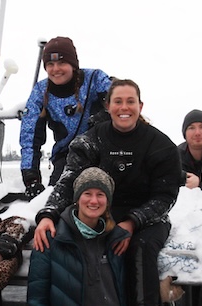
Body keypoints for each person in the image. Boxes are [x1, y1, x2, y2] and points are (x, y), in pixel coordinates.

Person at [32, 79, 181, 306]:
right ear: (108, 106)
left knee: (139, 247)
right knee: (63, 240)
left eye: (130, 101)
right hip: (100, 211)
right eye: (118, 101)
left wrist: (132, 222)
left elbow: (165, 197)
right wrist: (47, 215)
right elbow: (69, 180)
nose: (124, 107)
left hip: (148, 219)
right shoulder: (91, 140)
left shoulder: (161, 145)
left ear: (140, 106)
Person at [19, 36, 112, 198]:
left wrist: (103, 116)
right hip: (66, 156)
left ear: (73, 64)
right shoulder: (41, 91)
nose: (56, 69)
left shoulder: (95, 79)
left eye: (62, 63)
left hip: (102, 153)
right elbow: (29, 135)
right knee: (57, 197)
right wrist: (31, 176)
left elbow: (120, 102)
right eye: (50, 64)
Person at [27, 167, 129, 306]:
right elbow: (37, 297)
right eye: (87, 193)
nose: (94, 201)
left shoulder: (117, 239)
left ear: (108, 201)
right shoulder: (51, 238)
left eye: (100, 194)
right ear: (77, 198)